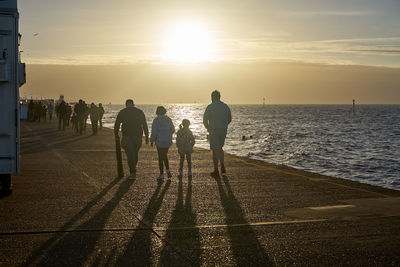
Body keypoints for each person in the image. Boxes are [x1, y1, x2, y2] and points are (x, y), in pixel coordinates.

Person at [114, 99, 149, 179]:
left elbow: (117, 124)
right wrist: (146, 136)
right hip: (138, 136)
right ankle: (133, 170)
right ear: (133, 104)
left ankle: (132, 171)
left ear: (126, 104)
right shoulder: (140, 112)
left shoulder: (122, 112)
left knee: (130, 154)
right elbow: (144, 124)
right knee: (134, 154)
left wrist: (116, 134)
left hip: (127, 136)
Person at [203, 90, 232, 177]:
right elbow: (229, 119)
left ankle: (216, 169)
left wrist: (208, 128)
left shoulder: (210, 107)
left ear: (212, 97)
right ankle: (222, 163)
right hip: (223, 130)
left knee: (215, 150)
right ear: (219, 97)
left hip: (213, 130)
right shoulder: (225, 106)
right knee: (220, 148)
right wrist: (224, 125)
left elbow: (205, 120)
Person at [150, 106, 175, 180]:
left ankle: (161, 174)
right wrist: (168, 133)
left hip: (159, 140)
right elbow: (173, 129)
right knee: (165, 155)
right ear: (164, 111)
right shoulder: (168, 119)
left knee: (160, 157)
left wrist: (152, 140)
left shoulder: (156, 120)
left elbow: (154, 131)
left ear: (157, 112)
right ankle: (168, 170)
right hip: (167, 140)